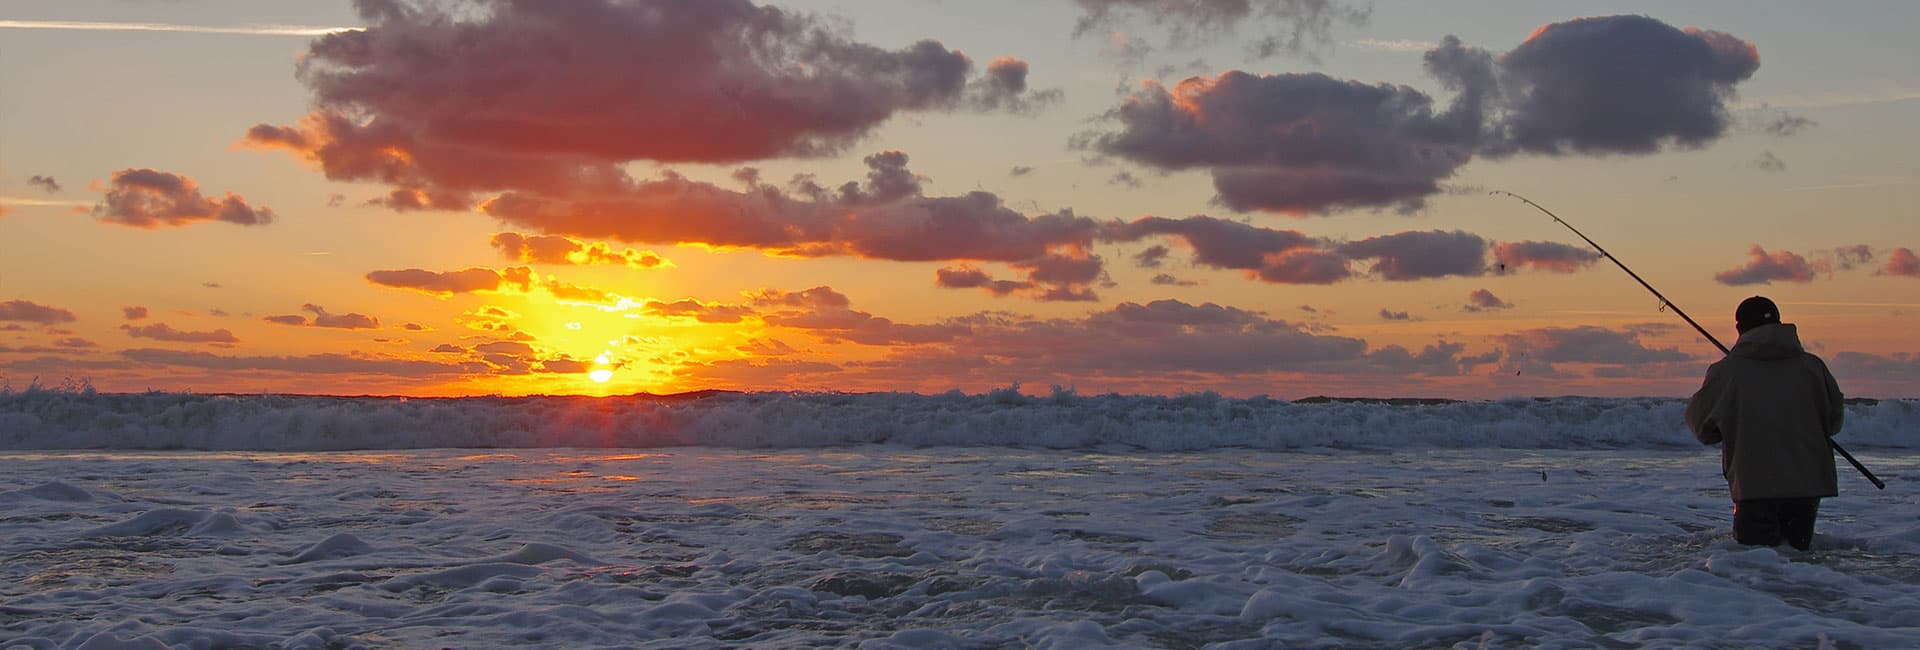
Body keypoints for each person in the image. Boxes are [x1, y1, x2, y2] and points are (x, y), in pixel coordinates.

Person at [1684, 296, 1845, 551]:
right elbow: (1834, 421)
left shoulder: (1727, 371)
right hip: (1807, 484)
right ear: (1781, 324)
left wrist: (1727, 428)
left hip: (1754, 485)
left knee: (1755, 569)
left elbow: (1700, 427)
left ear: (1739, 329)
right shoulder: (1813, 367)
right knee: (1799, 565)